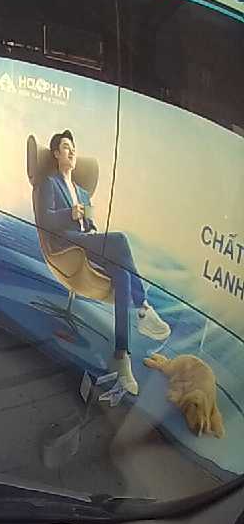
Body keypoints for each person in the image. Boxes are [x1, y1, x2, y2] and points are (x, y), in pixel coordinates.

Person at [34, 129, 170, 394]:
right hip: (65, 244)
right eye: (66, 147)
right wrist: (70, 213)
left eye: (73, 148)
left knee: (122, 274)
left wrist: (90, 225)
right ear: (56, 154)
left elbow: (91, 226)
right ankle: (143, 307)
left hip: (86, 242)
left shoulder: (83, 192)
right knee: (120, 239)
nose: (72, 151)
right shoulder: (49, 183)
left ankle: (121, 355)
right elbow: (45, 220)